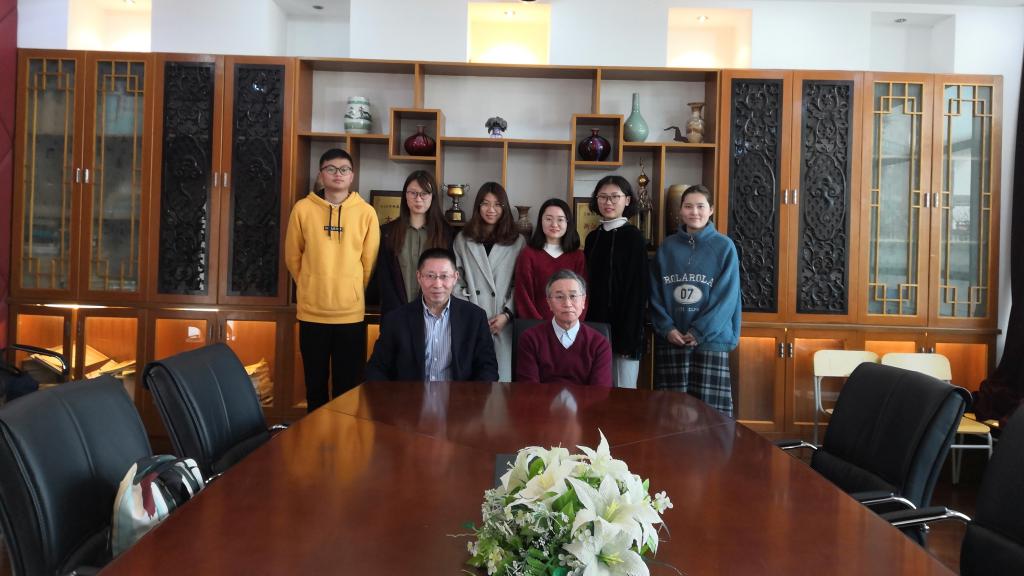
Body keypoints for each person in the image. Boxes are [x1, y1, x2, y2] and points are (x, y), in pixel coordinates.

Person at [286, 148, 380, 412]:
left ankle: (345, 436)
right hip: (312, 313)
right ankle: (316, 436)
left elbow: (369, 262)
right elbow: (293, 256)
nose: (338, 174)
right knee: (314, 386)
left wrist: (351, 289)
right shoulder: (303, 209)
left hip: (350, 315)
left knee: (347, 388)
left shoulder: (366, 212)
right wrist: (309, 285)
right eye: (331, 169)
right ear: (321, 174)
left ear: (352, 176)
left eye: (344, 169)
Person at [649, 184, 741, 416]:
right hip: (674, 340)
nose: (694, 212)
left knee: (711, 417)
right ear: (680, 210)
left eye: (700, 206)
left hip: (711, 342)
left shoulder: (724, 247)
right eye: (688, 206)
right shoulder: (667, 247)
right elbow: (655, 293)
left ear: (711, 210)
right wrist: (667, 328)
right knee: (671, 415)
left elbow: (727, 298)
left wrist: (700, 331)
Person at [366, 248, 498, 381]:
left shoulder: (475, 317)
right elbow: (376, 368)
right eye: (430, 276)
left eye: (444, 276)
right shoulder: (396, 319)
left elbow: (488, 368)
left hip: (458, 394)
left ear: (455, 277)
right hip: (410, 394)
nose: (437, 284)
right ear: (419, 277)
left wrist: (471, 394)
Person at [452, 182, 525, 381]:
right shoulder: (462, 239)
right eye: (485, 203)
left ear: (504, 207)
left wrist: (507, 315)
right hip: (471, 320)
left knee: (501, 383)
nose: (491, 209)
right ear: (478, 206)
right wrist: (471, 313)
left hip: (503, 322)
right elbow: (456, 280)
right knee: (470, 385)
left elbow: (520, 284)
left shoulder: (517, 241)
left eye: (497, 204)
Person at [583, 175, 648, 389]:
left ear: (627, 200)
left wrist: (629, 337)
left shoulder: (634, 238)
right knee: (596, 392)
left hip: (626, 331)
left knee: (623, 394)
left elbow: (638, 291)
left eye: (614, 197)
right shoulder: (592, 238)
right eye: (602, 197)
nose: (608, 202)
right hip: (595, 327)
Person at [375, 170, 453, 316]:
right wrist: (398, 312)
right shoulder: (387, 232)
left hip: (434, 313)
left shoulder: (446, 234)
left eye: (424, 193)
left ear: (432, 197)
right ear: (405, 195)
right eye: (413, 193)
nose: (418, 199)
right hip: (395, 313)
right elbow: (383, 277)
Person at [516, 269, 612, 387]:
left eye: (573, 296)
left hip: (586, 401)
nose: (567, 303)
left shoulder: (599, 344)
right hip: (540, 400)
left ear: (583, 301)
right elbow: (528, 389)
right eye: (559, 297)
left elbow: (600, 393)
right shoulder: (530, 339)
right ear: (549, 303)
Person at [513, 198, 587, 321]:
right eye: (548, 219)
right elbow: (523, 296)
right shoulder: (528, 254)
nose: (554, 224)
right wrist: (540, 327)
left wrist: (571, 324)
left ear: (568, 223)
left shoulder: (578, 256)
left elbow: (583, 295)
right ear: (540, 221)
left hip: (570, 326)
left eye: (560, 219)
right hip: (536, 328)